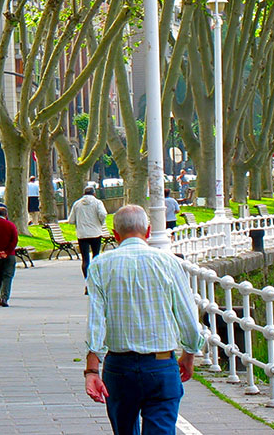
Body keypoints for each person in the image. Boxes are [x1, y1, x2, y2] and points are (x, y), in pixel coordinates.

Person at [83, 205, 204, 435]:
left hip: (119, 367)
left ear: (115, 234)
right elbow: (188, 316)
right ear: (148, 231)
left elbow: (96, 321)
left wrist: (92, 371)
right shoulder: (169, 262)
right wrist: (189, 354)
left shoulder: (100, 264)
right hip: (161, 364)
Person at [67, 184, 107, 281]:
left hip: (82, 235)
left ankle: (87, 281)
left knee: (85, 259)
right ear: (94, 193)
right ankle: (95, 280)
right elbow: (103, 214)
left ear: (83, 194)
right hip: (95, 233)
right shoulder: (98, 203)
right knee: (96, 257)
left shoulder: (77, 204)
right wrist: (100, 222)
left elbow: (71, 220)